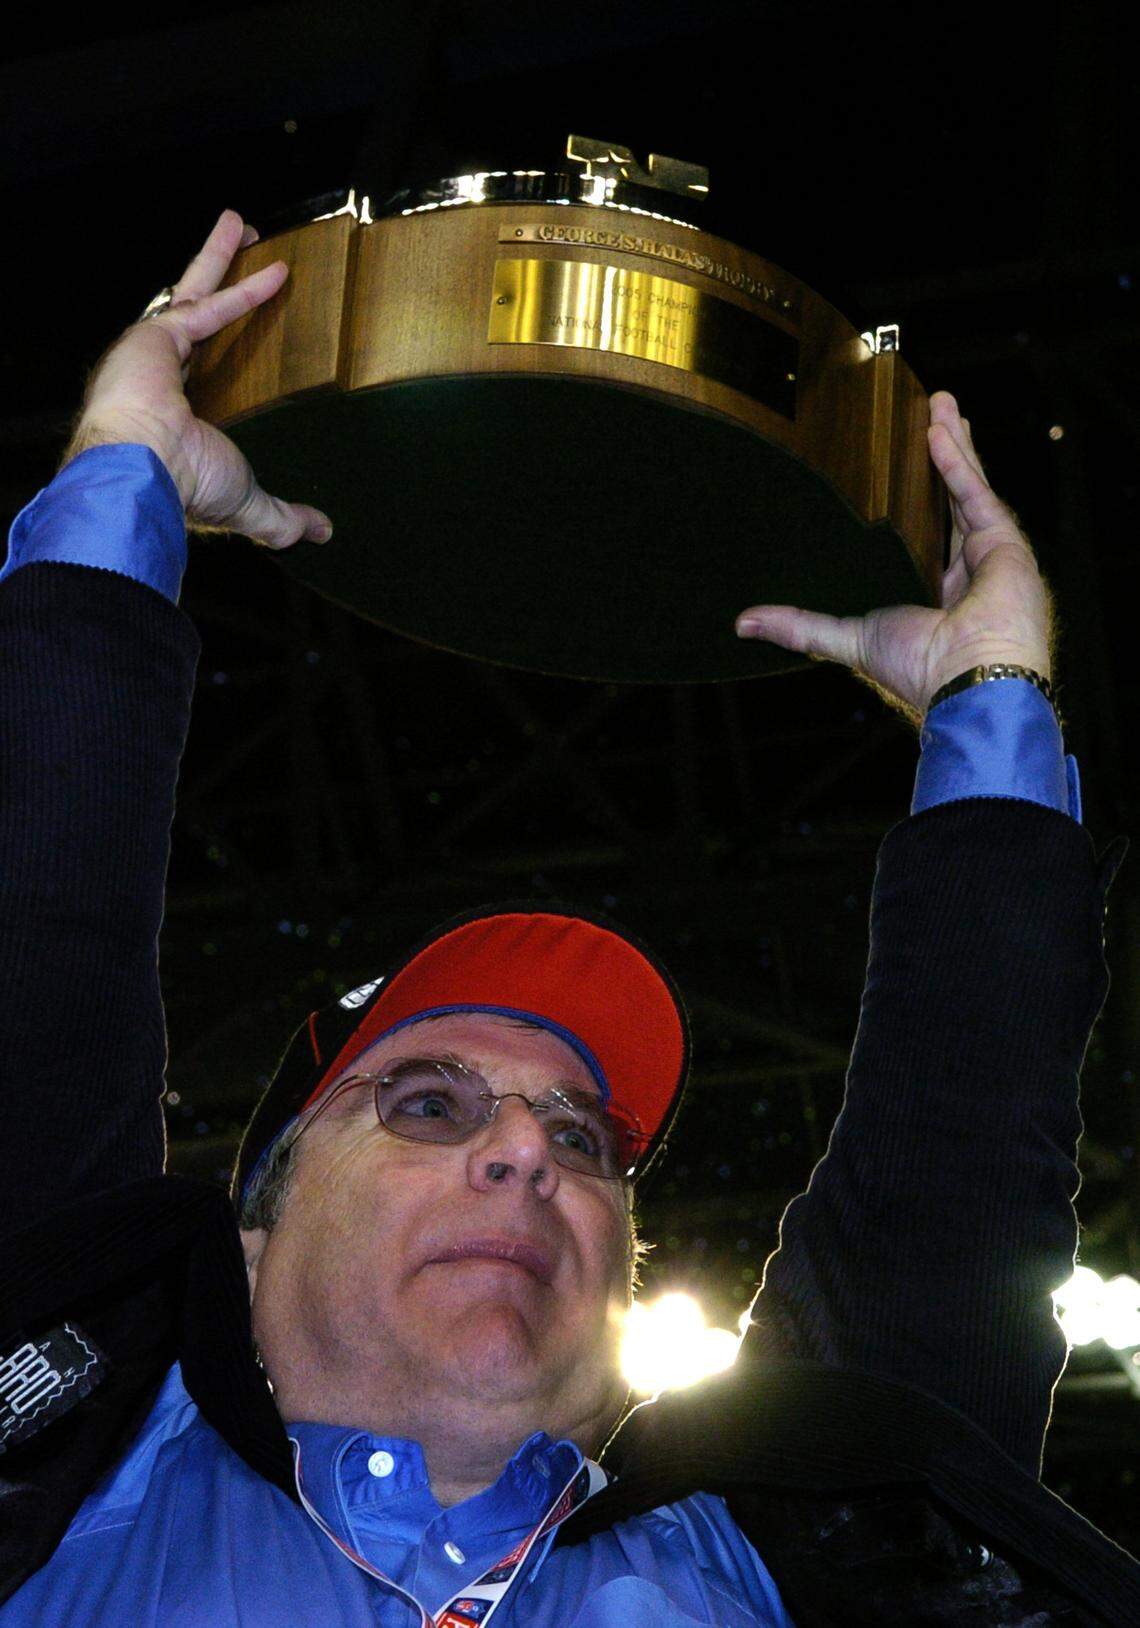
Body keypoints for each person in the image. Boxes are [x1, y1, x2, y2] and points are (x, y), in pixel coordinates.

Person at [0, 208, 1137, 1626]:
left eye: (586, 1140)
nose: (531, 1151)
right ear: (245, 1252)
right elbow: (40, 969)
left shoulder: (771, 1569)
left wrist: (992, 701)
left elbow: (955, 1169)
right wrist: (121, 487)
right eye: (426, 1105)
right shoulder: (65, 1499)